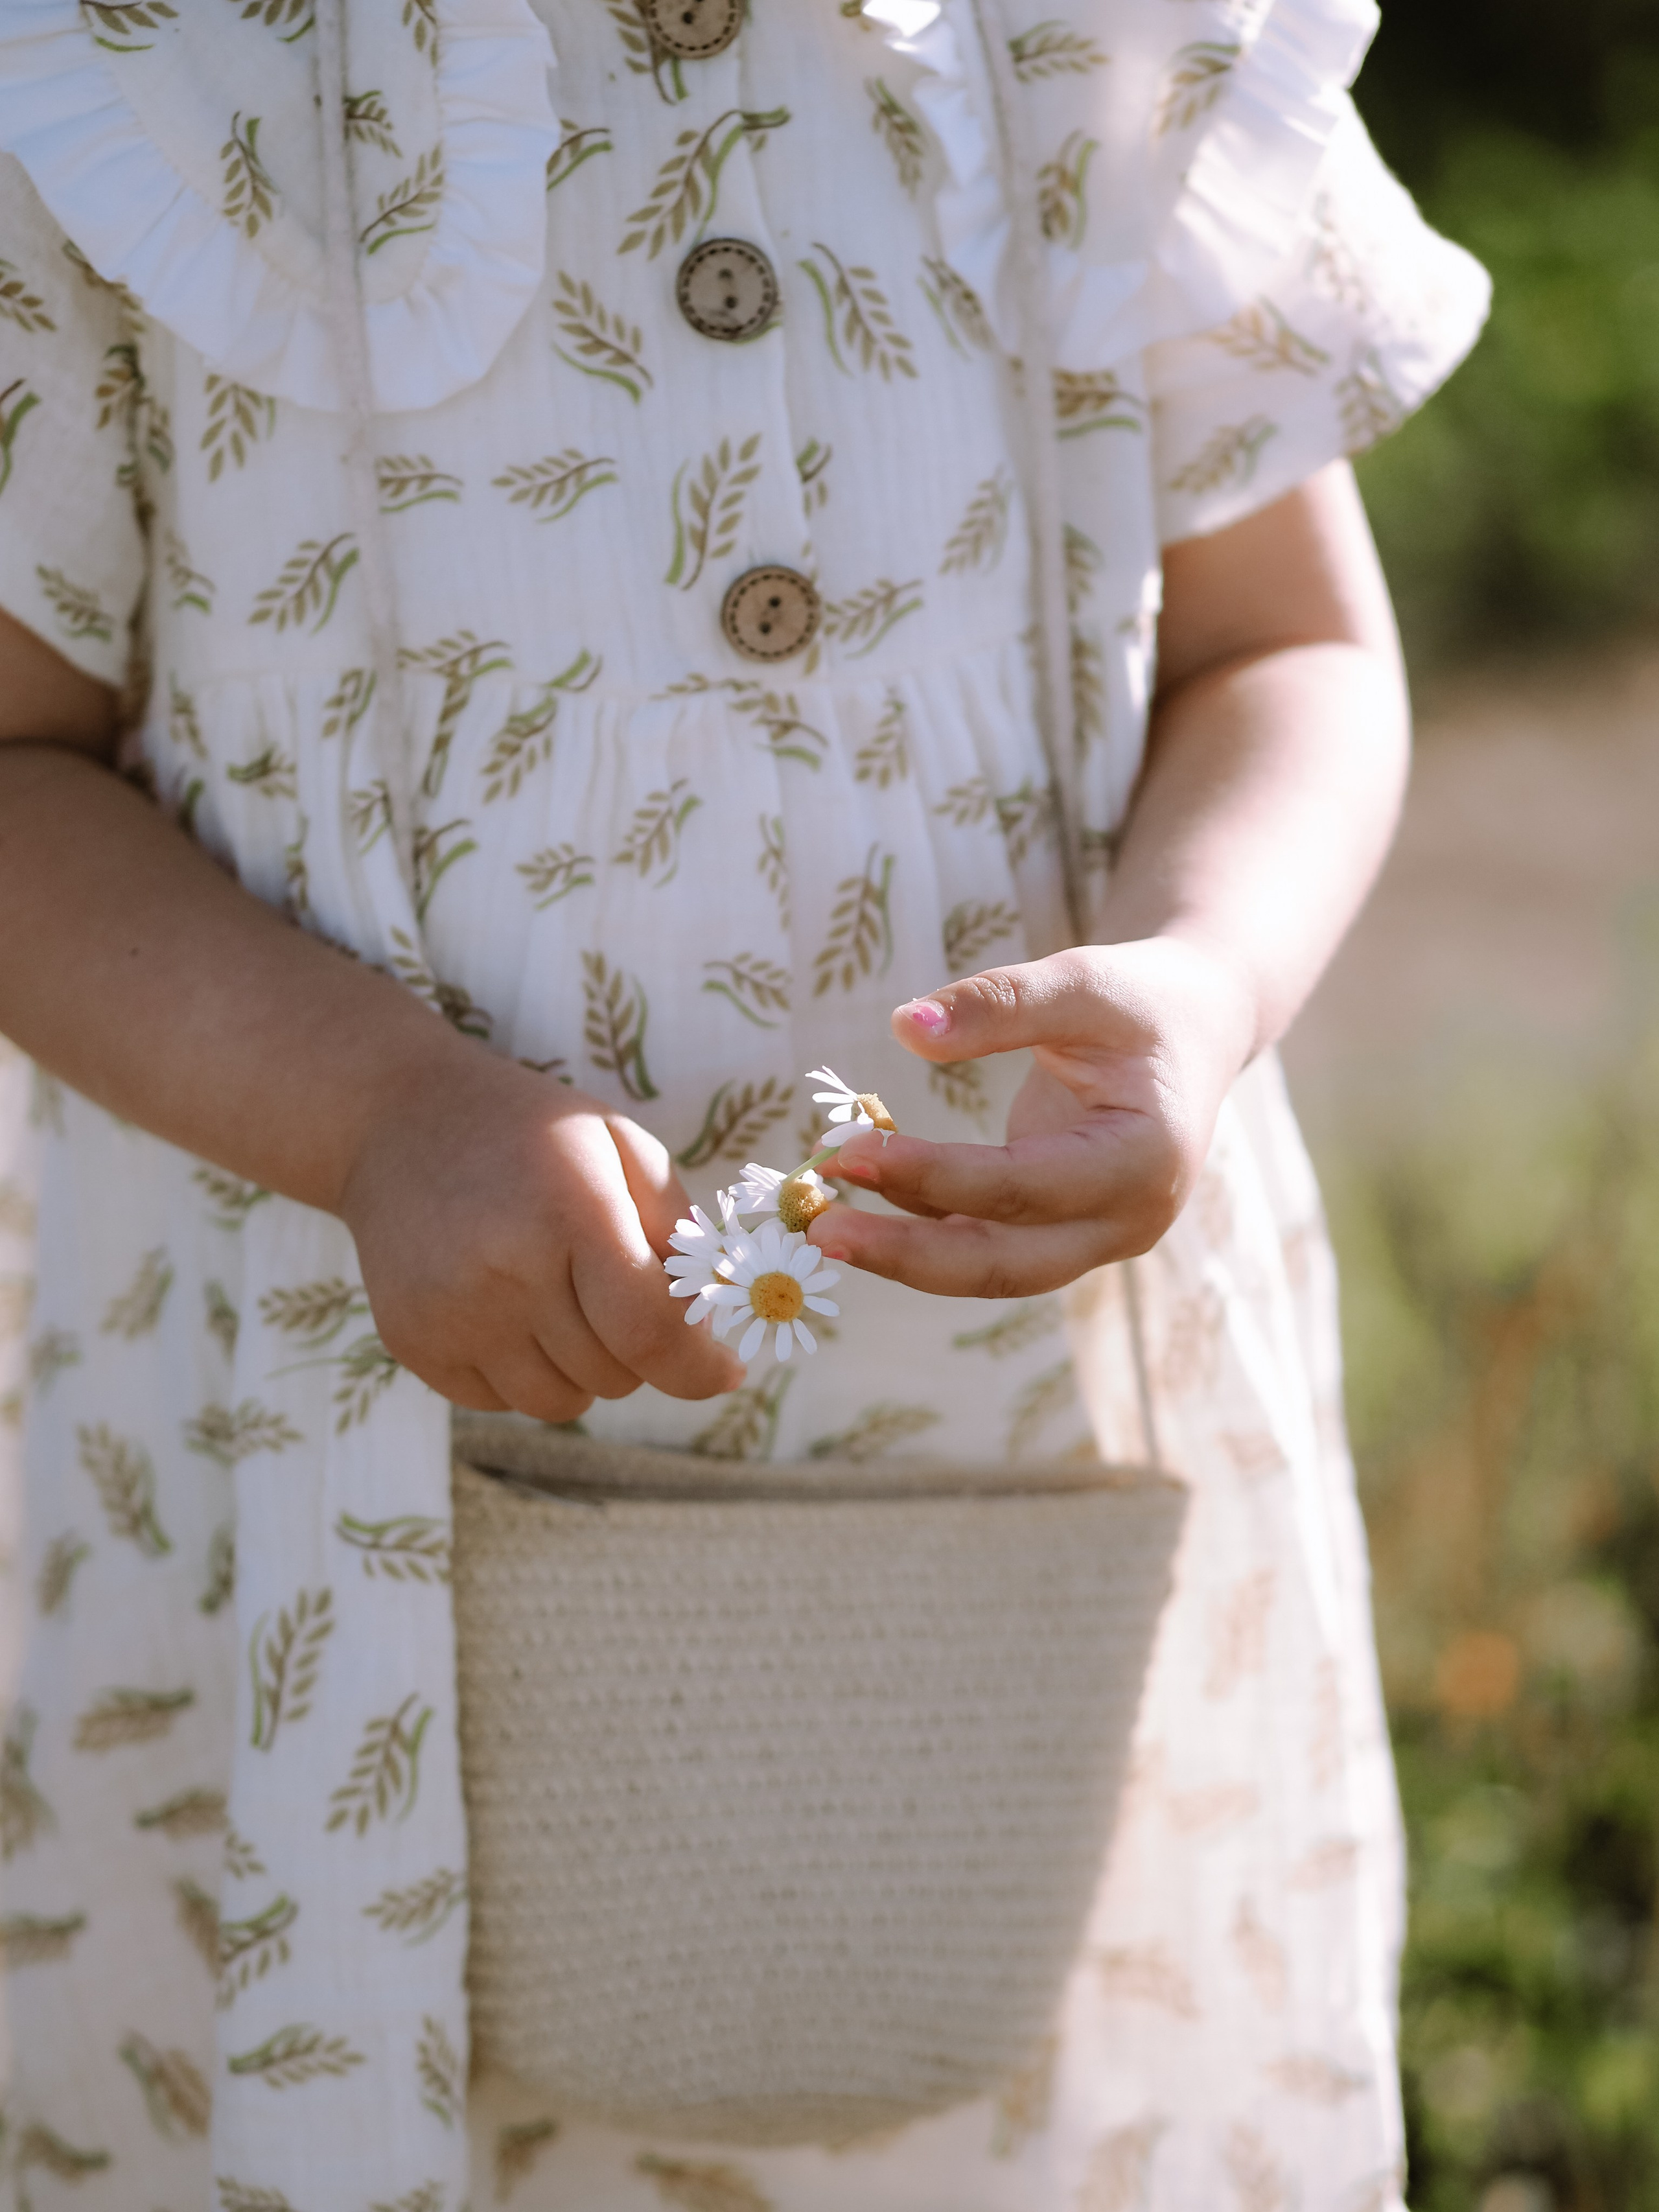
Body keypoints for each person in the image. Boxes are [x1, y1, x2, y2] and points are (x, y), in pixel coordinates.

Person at [0, 0, 1487, 2202]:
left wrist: (1204, 973)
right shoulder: (138, 76)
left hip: (1013, 1398)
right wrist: (367, 1115)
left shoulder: (1092, 39)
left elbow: (1286, 648)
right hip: (331, 1417)